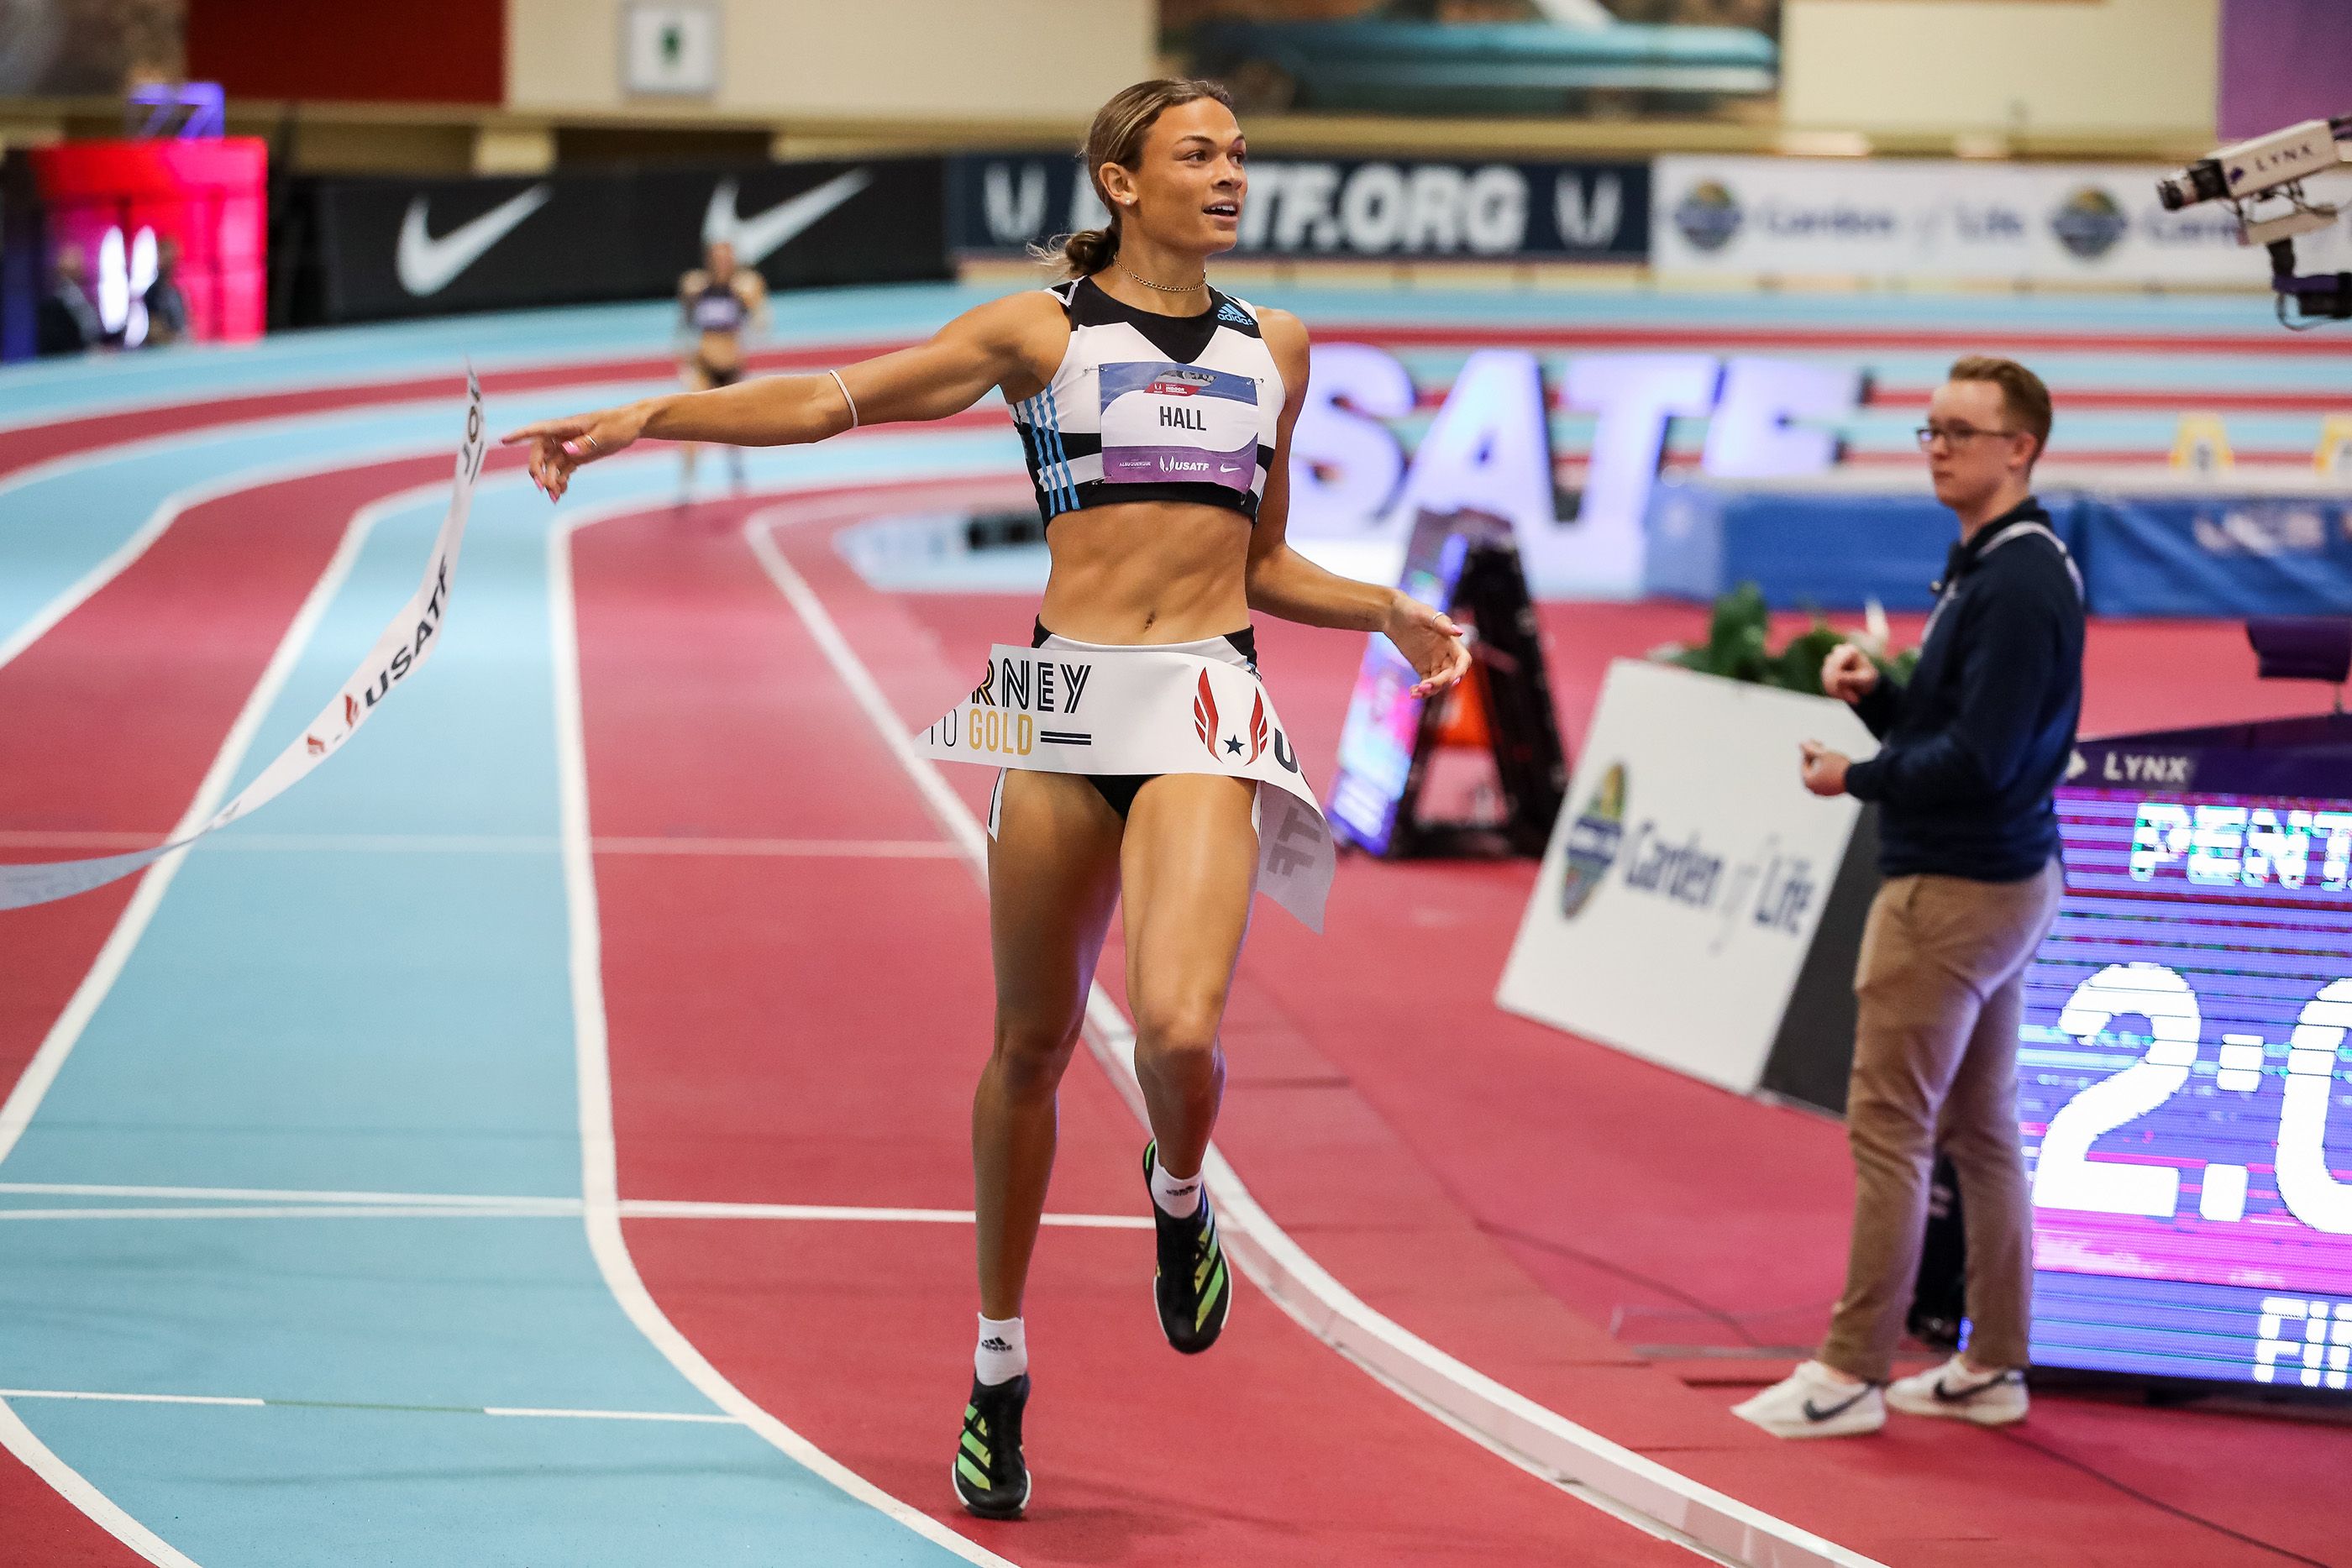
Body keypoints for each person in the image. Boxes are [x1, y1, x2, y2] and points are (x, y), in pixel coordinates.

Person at [504, 78, 1470, 1518]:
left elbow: (1260, 561)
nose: (1228, 174)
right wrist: (650, 413)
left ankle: (1181, 1191)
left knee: (1182, 1030)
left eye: (1238, 155)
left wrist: (1387, 606)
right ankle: (998, 1366)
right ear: (1119, 179)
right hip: (1066, 701)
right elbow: (840, 401)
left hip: (1206, 697)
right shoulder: (1044, 334)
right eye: (1197, 154)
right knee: (1026, 1047)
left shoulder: (1281, 346)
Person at [1734, 356, 2084, 1440]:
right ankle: (1992, 1364)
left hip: (1955, 888)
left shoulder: (2018, 580)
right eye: (1928, 428)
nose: (1935, 445)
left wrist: (1857, 775)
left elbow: (1977, 759)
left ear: (2018, 448)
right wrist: (1881, 699)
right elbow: (1966, 731)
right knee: (1980, 1130)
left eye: (1959, 431)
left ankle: (1847, 1371)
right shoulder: (1997, 564)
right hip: (1996, 876)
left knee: (1891, 1132)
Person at [673, 238, 767, 498]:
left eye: (728, 257)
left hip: (732, 367)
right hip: (703, 365)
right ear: (710, 260)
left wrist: (754, 300)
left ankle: (736, 472)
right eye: (718, 257)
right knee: (691, 423)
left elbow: (762, 326)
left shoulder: (744, 287)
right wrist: (682, 360)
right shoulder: (696, 286)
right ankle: (688, 482)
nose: (723, 262)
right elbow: (683, 325)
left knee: (735, 426)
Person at [36, 244, 103, 357]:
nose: (82, 267)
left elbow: (92, 334)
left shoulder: (82, 298)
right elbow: (59, 343)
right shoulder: (54, 306)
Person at [143, 237, 191, 347]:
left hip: (181, 345)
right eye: (167, 257)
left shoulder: (177, 290)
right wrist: (174, 339)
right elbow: (154, 331)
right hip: (165, 348)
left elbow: (187, 322)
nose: (173, 262)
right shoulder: (154, 292)